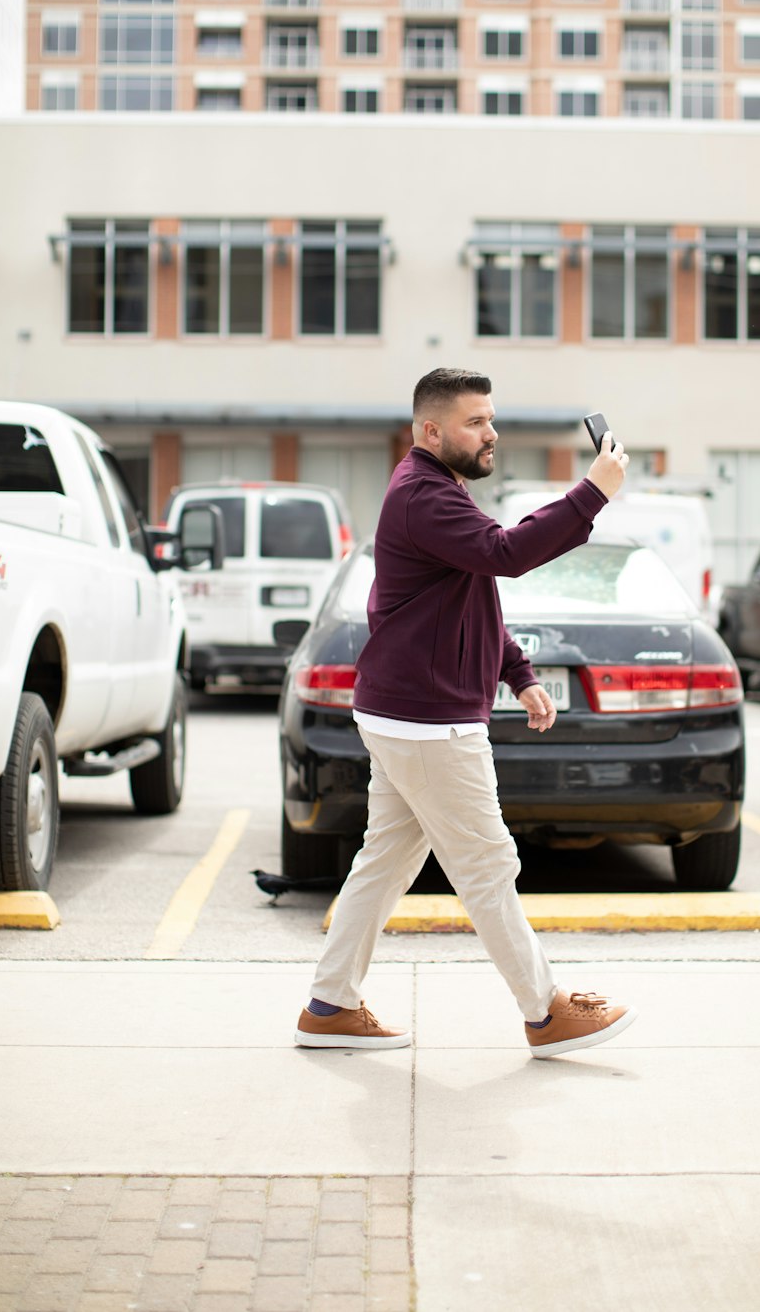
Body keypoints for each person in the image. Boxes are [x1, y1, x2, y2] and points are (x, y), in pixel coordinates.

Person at [295, 368, 638, 1060]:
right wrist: (591, 492)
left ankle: (330, 1003)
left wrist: (517, 674)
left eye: (491, 418)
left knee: (385, 862)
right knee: (487, 864)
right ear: (431, 431)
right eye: (476, 422)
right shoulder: (423, 496)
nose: (493, 434)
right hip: (428, 723)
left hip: (405, 715)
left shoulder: (436, 491)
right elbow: (507, 555)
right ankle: (546, 1013)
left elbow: (471, 588)